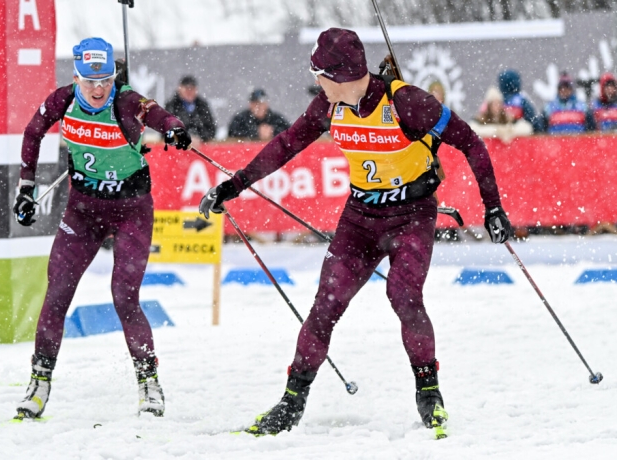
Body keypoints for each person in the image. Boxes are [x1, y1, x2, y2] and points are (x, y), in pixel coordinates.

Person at [199, 28, 512, 437]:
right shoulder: (327, 106)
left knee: (403, 295)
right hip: (360, 218)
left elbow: (471, 142)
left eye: (320, 74)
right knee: (325, 305)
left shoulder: (406, 101)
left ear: (342, 75)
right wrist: (233, 186)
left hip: (412, 215)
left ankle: (429, 394)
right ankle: (291, 403)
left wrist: (493, 208)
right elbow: (285, 145)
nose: (316, 82)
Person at [13, 37, 191, 420]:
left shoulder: (126, 101)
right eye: (90, 81)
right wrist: (26, 187)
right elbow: (32, 132)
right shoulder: (63, 99)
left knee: (124, 297)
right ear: (76, 76)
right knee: (57, 292)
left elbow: (159, 114)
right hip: (83, 211)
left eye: (106, 80)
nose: (97, 89)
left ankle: (149, 384)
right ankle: (39, 383)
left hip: (131, 211)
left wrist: (175, 129)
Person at [164, 75, 216, 143]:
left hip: (201, 148)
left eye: (192, 89)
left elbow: (211, 129)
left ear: (196, 90)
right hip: (177, 148)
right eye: (186, 88)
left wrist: (199, 137)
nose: (189, 92)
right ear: (180, 89)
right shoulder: (171, 106)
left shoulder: (202, 105)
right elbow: (165, 130)